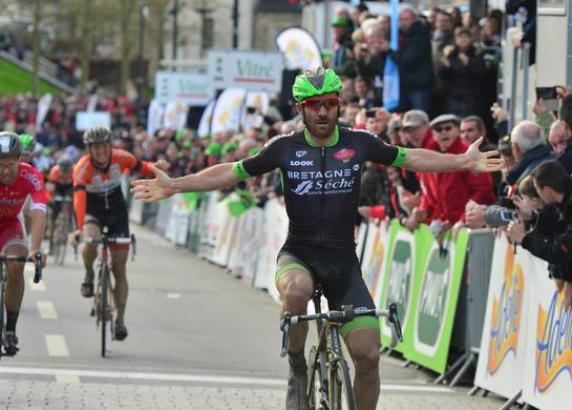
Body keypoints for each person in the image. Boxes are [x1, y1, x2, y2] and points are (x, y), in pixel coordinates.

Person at [130, 68, 501, 410]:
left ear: (338, 105)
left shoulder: (359, 143)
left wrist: (461, 162)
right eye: (313, 105)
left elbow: (410, 159)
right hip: (299, 254)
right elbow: (232, 172)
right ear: (300, 109)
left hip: (343, 262)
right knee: (296, 292)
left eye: (330, 104)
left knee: (369, 355)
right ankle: (296, 367)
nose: (322, 112)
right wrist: (176, 185)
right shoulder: (284, 147)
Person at [72, 126, 166, 341]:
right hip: (93, 212)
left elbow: (143, 167)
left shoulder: (121, 157)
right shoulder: (82, 168)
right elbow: (79, 200)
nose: (101, 151)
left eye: (104, 146)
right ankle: (89, 274)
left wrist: (158, 168)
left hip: (117, 213)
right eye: (95, 148)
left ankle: (120, 320)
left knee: (119, 268)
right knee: (90, 242)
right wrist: (79, 229)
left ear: (110, 146)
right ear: (89, 149)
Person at [0, 132, 48, 356]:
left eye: (10, 164)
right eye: (0, 164)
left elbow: (39, 212)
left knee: (17, 266)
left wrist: (35, 249)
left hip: (10, 225)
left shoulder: (32, 176)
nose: (5, 170)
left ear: (20, 160)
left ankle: (10, 329)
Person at [507, 161, 572, 308]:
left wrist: (524, 239)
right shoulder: (565, 198)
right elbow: (560, 223)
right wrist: (533, 216)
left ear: (547, 191)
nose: (536, 193)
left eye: (537, 189)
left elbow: (558, 251)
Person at [46, 157, 74, 253]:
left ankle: (69, 224)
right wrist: (50, 201)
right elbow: (49, 188)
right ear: (60, 169)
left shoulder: (75, 171)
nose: (65, 174)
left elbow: (78, 188)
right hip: (58, 188)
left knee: (72, 203)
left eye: (67, 172)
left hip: (70, 188)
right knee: (54, 215)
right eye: (63, 171)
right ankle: (51, 244)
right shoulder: (55, 171)